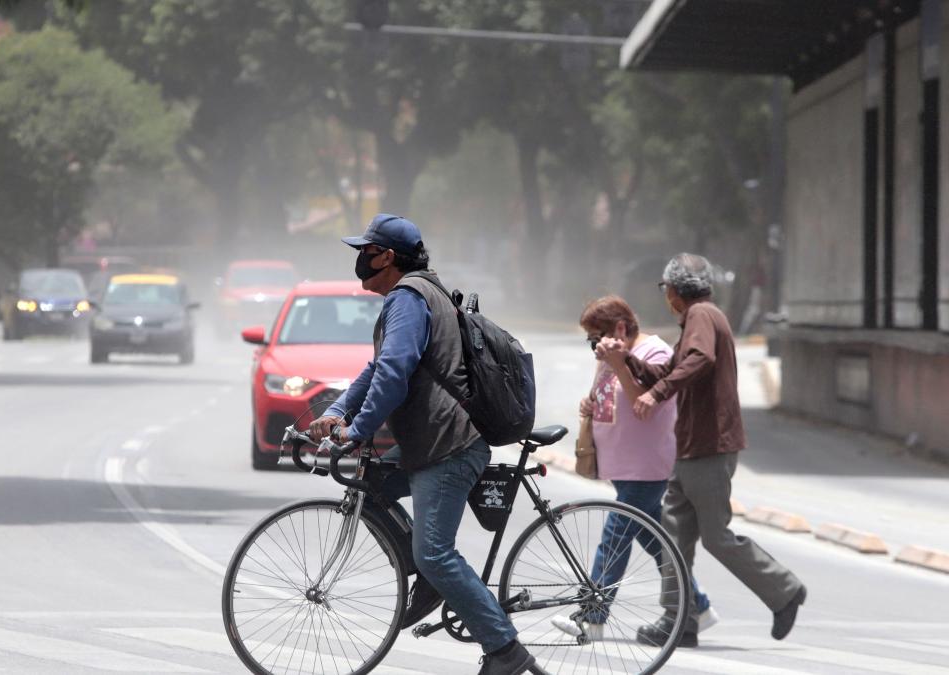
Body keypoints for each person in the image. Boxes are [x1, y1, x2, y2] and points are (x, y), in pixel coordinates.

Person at [309, 213, 536, 675]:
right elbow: (377, 370)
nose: (360, 261)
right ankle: (432, 584)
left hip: (448, 444)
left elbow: (395, 373)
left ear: (386, 257)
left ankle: (505, 650)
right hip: (432, 438)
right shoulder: (415, 294)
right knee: (371, 487)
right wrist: (338, 412)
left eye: (365, 253)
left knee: (433, 552)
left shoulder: (409, 297)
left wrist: (356, 431)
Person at [596, 253, 806, 648]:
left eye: (666, 290)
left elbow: (698, 360)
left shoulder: (702, 317)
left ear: (674, 292)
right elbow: (672, 368)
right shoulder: (699, 319)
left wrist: (657, 393)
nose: (666, 297)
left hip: (710, 446)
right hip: (691, 447)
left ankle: (784, 590)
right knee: (674, 537)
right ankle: (679, 621)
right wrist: (626, 360)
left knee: (717, 537)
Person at [550, 295, 717, 644]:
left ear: (621, 328)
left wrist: (619, 362)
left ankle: (591, 616)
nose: (595, 346)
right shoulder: (611, 355)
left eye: (598, 337)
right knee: (657, 541)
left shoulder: (654, 354)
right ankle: (697, 605)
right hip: (624, 466)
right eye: (590, 341)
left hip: (647, 466)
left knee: (614, 538)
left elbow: (645, 407)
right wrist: (593, 396)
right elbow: (612, 399)